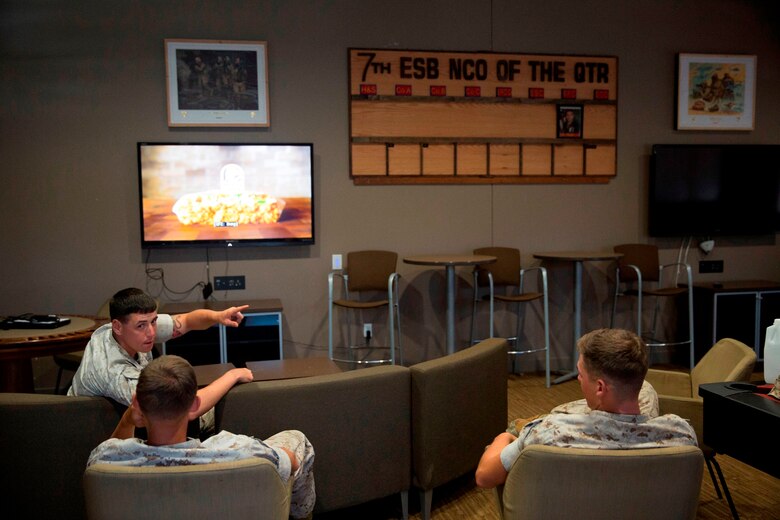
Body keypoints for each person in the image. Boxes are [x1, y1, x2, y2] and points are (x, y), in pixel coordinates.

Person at [88, 355, 316, 519]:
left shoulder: (105, 458)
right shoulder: (239, 450)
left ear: (136, 403)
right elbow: (289, 464)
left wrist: (128, 419)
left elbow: (113, 444)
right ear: (195, 405)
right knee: (296, 439)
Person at [475, 328, 697, 489]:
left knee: (514, 430)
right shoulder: (681, 434)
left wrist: (505, 436)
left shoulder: (550, 432)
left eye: (580, 374)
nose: (578, 379)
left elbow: (484, 477)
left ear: (600, 387)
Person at [68, 287, 254, 433]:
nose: (151, 332)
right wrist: (233, 374)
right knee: (232, 406)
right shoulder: (114, 372)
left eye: (154, 322)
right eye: (141, 325)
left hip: (128, 417)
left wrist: (217, 316)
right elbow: (186, 409)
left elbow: (188, 321)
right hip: (92, 430)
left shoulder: (123, 330)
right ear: (117, 326)